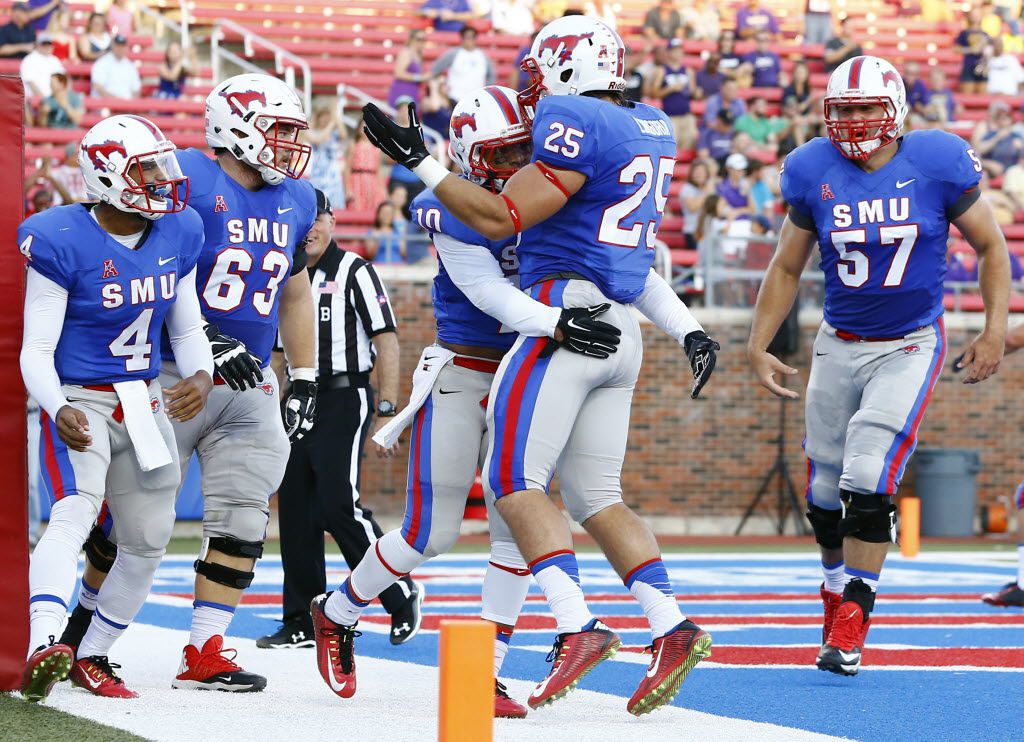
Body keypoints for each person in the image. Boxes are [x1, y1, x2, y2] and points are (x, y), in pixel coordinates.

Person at [356, 15, 720, 715]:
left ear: (568, 70)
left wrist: (421, 162)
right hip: (623, 328)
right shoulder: (650, 124)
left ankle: (576, 627)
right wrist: (690, 329)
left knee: (511, 482)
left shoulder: (571, 120)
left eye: (541, 73)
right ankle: (672, 627)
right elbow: (629, 258)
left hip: (568, 323)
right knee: (598, 497)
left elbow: (499, 220)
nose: (535, 94)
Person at [308, 88, 609, 716]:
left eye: (528, 146)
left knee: (513, 531)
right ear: (471, 158)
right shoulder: (449, 207)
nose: (525, 159)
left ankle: (485, 674)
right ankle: (336, 614)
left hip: (527, 371)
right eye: (508, 152)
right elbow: (491, 294)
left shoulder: (548, 189)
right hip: (466, 372)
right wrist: (557, 323)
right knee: (430, 532)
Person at [748, 55, 1009, 677]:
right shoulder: (813, 167)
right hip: (838, 341)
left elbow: (992, 246)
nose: (855, 120)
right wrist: (758, 343)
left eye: (866, 108)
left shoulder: (938, 160)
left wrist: (994, 329)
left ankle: (855, 615)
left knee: (868, 474)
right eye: (844, 109)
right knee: (822, 492)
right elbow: (786, 265)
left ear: (894, 111)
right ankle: (835, 586)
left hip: (910, 343)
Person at [58, 73, 319, 694]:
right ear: (235, 126)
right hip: (170, 373)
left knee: (243, 516)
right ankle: (78, 634)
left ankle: (205, 650)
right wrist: (200, 339)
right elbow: (151, 263)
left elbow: (295, 286)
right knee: (132, 521)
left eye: (291, 132)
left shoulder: (300, 198)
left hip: (250, 378)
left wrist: (304, 372)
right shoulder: (191, 180)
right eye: (278, 129)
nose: (287, 144)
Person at [18, 114, 213, 701]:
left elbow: (186, 327)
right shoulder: (60, 236)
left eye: (161, 167)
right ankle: (44, 642)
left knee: (150, 536)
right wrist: (55, 406)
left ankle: (94, 653)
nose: (161, 181)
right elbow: (36, 348)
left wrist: (202, 374)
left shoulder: (180, 232)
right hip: (81, 398)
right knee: (75, 511)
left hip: (144, 399)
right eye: (146, 170)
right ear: (106, 178)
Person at [259, 188, 422, 651]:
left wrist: (387, 408)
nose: (309, 229)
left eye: (317, 218)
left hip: (345, 393)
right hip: (296, 399)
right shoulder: (281, 270)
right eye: (301, 219)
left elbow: (386, 340)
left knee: (337, 504)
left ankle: (399, 589)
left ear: (332, 220)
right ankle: (301, 618)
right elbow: (275, 352)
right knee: (293, 511)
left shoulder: (355, 270)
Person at [648, 38, 697, 150]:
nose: (678, 53)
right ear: (669, 52)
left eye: (680, 50)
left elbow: (693, 93)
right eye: (675, 50)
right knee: (671, 149)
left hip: (686, 116)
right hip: (670, 116)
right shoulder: (662, 70)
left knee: (688, 147)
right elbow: (653, 93)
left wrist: (696, 92)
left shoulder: (688, 71)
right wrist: (670, 89)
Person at [431, 26, 495, 103]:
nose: (469, 40)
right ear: (462, 38)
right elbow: (435, 70)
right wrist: (442, 84)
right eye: (467, 37)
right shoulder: (453, 54)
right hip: (455, 99)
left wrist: (485, 93)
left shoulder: (483, 56)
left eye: (472, 37)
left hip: (477, 101)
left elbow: (491, 76)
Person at [306, 102, 348, 209]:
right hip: (318, 173)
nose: (325, 119)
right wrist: (332, 124)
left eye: (327, 117)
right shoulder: (312, 132)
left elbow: (344, 135)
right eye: (323, 116)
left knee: (336, 205)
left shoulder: (334, 134)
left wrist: (336, 116)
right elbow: (320, 140)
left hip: (333, 174)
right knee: (319, 205)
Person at [972, 100, 1023, 176]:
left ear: (1011, 120)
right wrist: (997, 138)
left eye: (1006, 118)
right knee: (982, 175)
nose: (1004, 121)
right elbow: (979, 150)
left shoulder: (1016, 136)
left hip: (1012, 170)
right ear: (997, 121)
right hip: (991, 170)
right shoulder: (991, 135)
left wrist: (1020, 148)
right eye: (1000, 118)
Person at [346, 120, 387, 212]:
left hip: (373, 181)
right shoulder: (354, 145)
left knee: (374, 208)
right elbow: (347, 168)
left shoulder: (377, 147)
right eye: (362, 127)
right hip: (357, 179)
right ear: (358, 129)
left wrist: (383, 189)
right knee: (357, 207)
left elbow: (379, 170)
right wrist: (347, 188)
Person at [679, 158, 716, 249]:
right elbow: (693, 207)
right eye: (696, 172)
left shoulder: (710, 188)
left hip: (709, 231)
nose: (698, 174)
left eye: (701, 172)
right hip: (693, 232)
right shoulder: (687, 188)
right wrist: (707, 193)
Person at [90, 35, 140, 99]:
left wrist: (130, 104)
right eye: (118, 46)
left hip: (127, 105)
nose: (120, 49)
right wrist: (117, 102)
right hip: (105, 104)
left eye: (123, 46)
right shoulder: (102, 63)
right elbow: (98, 87)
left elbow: (136, 90)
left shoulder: (130, 66)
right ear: (113, 46)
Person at [955, 6, 992, 94]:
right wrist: (971, 50)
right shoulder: (964, 33)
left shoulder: (985, 34)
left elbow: (989, 51)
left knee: (982, 95)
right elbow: (956, 49)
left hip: (982, 66)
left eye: (977, 14)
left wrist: (986, 51)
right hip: (968, 65)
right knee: (967, 94)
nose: (975, 17)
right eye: (974, 14)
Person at [388, 29, 427, 109]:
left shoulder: (418, 55)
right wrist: (419, 77)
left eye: (424, 40)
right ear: (411, 39)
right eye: (419, 39)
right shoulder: (406, 52)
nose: (421, 42)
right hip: (402, 91)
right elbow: (398, 73)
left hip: (412, 92)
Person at [20, 33, 63, 98]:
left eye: (49, 44)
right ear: (37, 45)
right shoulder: (29, 59)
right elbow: (30, 82)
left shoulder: (55, 60)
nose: (47, 46)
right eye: (44, 44)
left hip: (55, 98)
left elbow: (63, 79)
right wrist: (44, 99)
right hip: (35, 98)